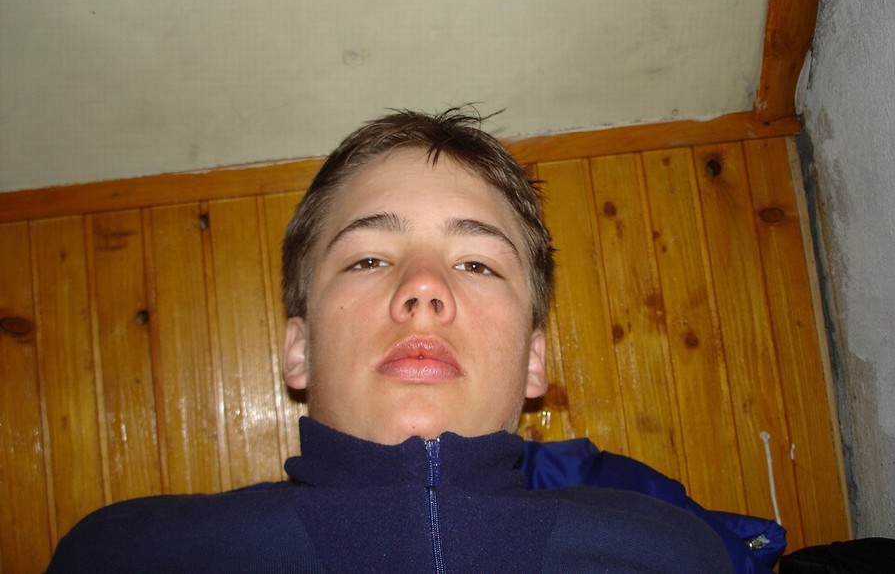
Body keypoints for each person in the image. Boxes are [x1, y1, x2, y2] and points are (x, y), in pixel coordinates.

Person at [48, 107, 732, 572]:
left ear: (534, 360)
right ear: (298, 349)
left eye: (477, 264)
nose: (424, 287)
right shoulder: (122, 556)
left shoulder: (674, 553)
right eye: (369, 258)